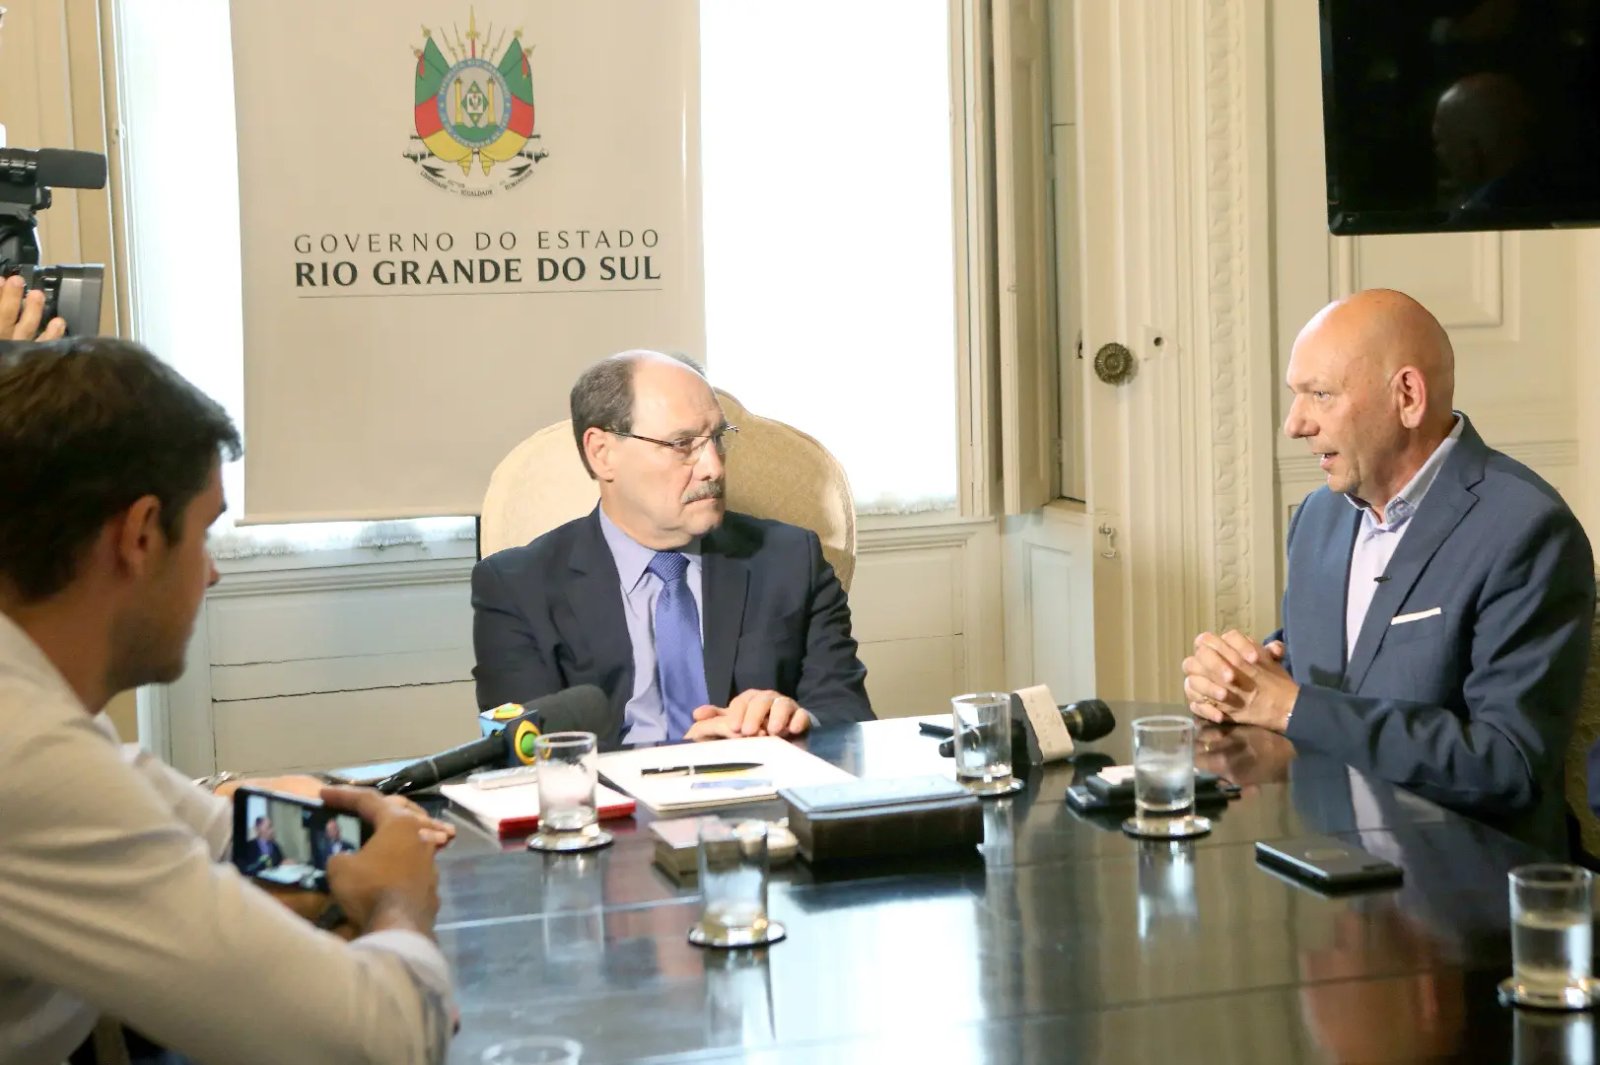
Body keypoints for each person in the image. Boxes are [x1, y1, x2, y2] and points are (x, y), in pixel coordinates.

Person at [0, 337, 456, 1064]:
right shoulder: (26, 754)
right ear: (140, 535)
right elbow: (382, 1039)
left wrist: (354, 848)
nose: (211, 573)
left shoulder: (38, 711)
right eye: (205, 532)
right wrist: (398, 900)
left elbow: (221, 839)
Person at [1182, 289, 1595, 853]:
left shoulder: (1527, 529)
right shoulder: (1318, 518)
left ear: (1408, 396)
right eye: (1295, 396)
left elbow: (1508, 765)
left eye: (1320, 395)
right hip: (1326, 852)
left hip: (1467, 874)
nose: (1294, 424)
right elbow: (1330, 673)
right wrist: (1237, 682)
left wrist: (1288, 704)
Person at [472, 350, 874, 743]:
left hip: (759, 781)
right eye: (682, 444)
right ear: (602, 454)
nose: (714, 467)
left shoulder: (791, 560)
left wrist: (794, 723)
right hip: (607, 787)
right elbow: (520, 750)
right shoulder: (517, 586)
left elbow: (848, 715)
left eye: (718, 438)